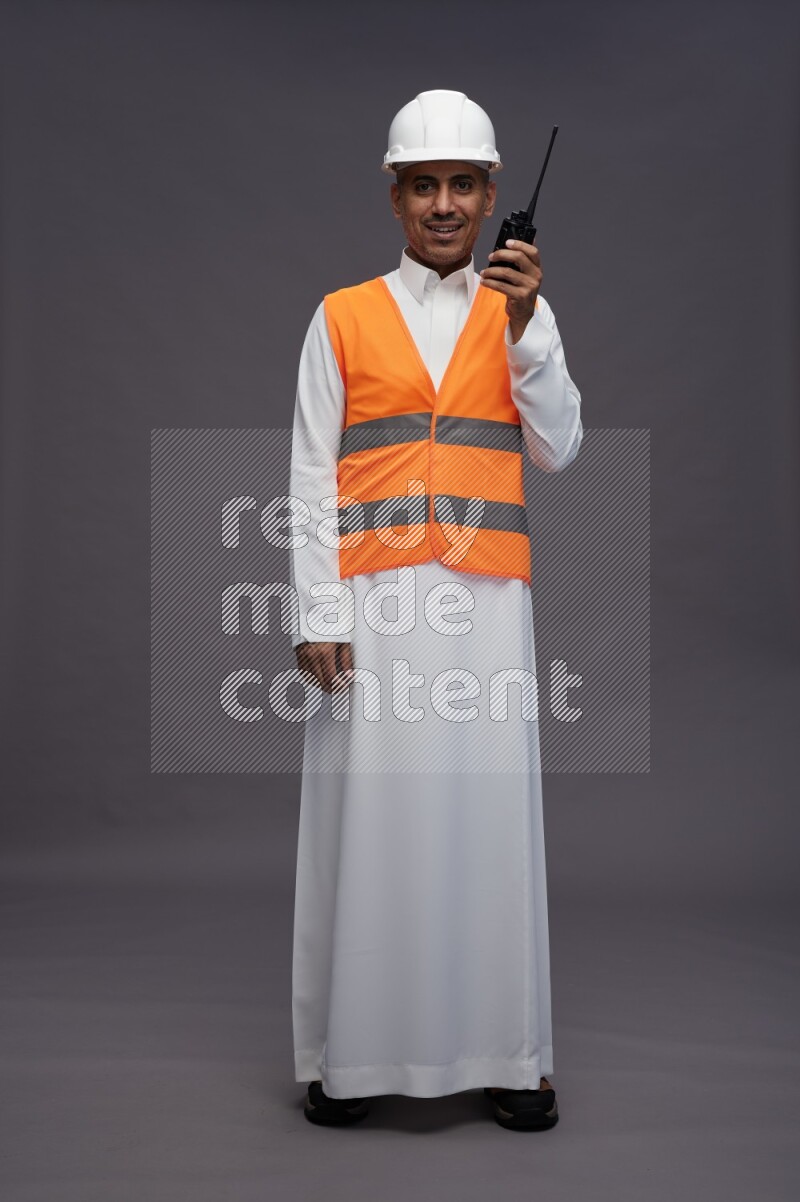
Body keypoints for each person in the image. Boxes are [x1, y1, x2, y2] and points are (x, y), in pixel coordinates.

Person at [288, 89, 583, 1131]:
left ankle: (509, 1052)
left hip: (485, 605)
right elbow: (311, 470)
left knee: (487, 820)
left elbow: (558, 445)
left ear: (492, 194)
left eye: (463, 184)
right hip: (369, 603)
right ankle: (351, 1058)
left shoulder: (519, 314)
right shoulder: (340, 313)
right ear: (396, 194)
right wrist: (315, 610)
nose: (446, 204)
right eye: (426, 185)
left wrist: (527, 325)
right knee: (366, 822)